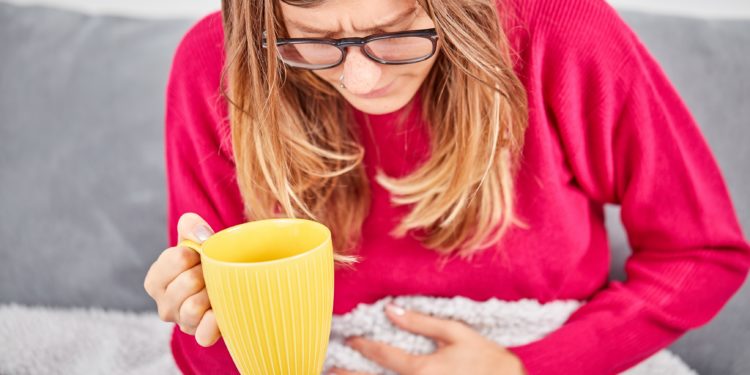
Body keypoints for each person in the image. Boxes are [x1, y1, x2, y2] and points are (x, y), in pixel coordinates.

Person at [143, 0, 750, 373]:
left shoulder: (564, 31)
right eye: (316, 40)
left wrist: (524, 369)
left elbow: (703, 254)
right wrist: (205, 321)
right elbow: (212, 350)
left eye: (395, 31)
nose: (360, 79)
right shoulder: (220, 64)